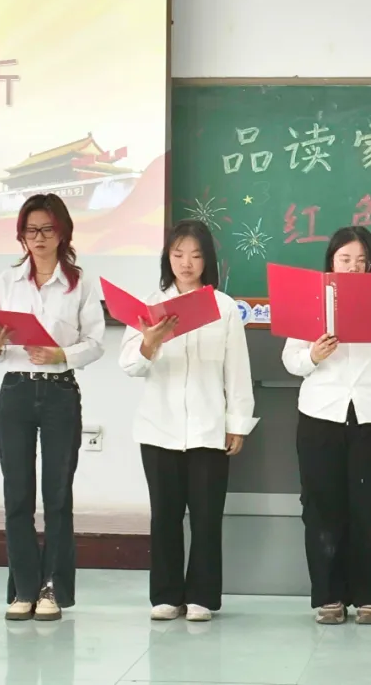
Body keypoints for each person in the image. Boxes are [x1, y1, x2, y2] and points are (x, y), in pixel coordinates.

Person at [118, 219, 256, 622]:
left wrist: (237, 423)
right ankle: (165, 595)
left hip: (209, 429)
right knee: (164, 516)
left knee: (207, 518)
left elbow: (237, 370)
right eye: (178, 254)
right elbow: (130, 366)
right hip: (158, 428)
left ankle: (202, 597)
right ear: (168, 258)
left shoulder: (224, 308)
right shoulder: (149, 307)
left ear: (206, 260)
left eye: (195, 255)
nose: (186, 263)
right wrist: (150, 341)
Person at [281, 225, 371, 626]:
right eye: (345, 260)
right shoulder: (310, 303)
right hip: (321, 416)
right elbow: (291, 361)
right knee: (322, 509)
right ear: (331, 263)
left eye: (361, 261)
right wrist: (313, 355)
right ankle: (329, 596)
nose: (353, 267)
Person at [0, 194, 105, 622]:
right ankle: (23, 588)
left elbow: (96, 343)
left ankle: (52, 588)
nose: (39, 238)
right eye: (31, 230)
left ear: (63, 233)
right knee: (17, 495)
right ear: (21, 235)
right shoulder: (6, 281)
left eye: (48, 229)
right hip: (15, 390)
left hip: (60, 392)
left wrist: (61, 355)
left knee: (57, 496)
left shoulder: (81, 283)